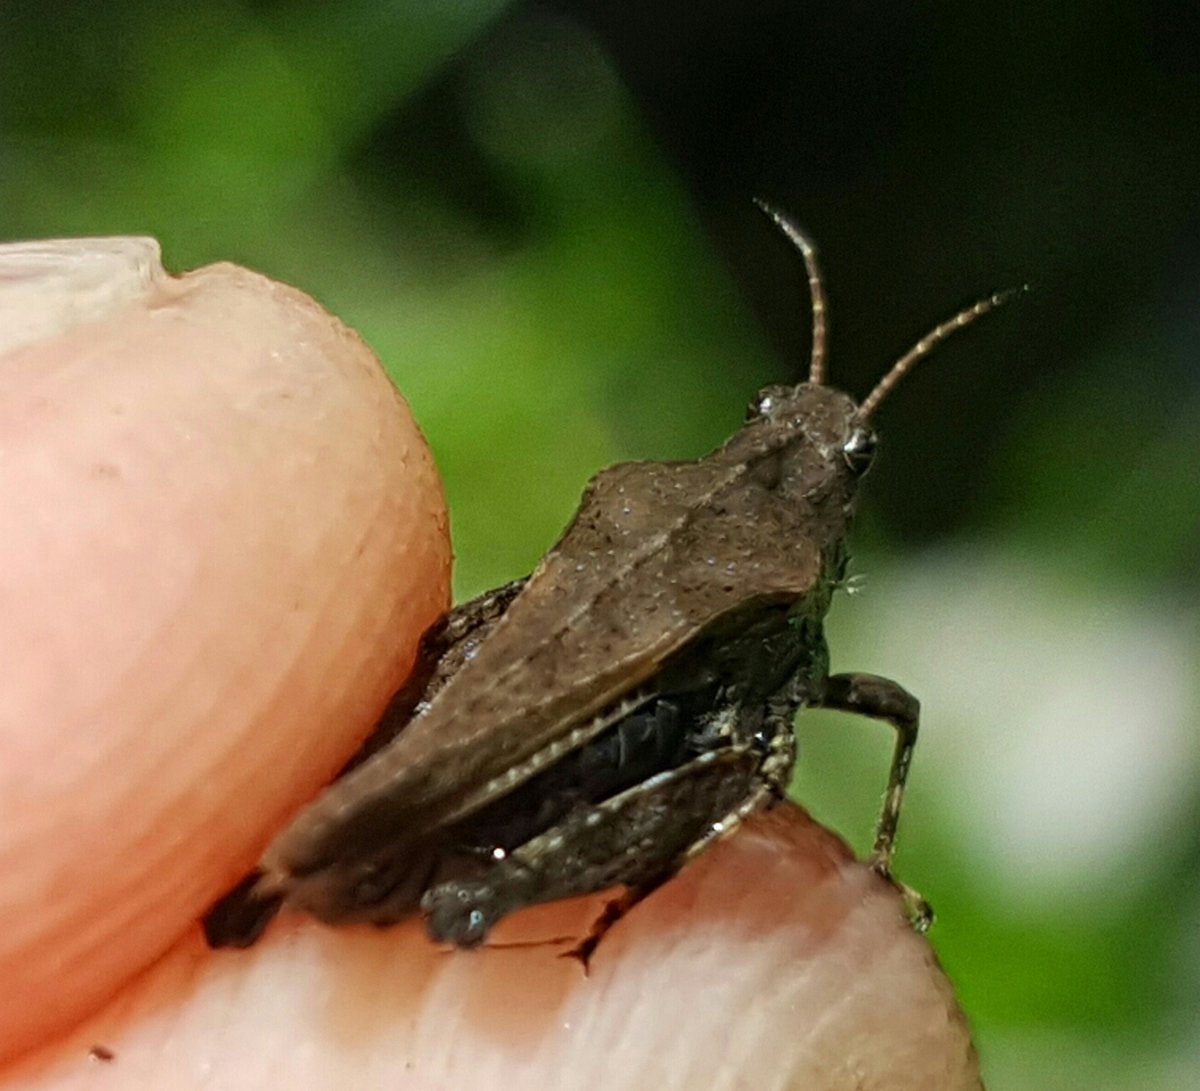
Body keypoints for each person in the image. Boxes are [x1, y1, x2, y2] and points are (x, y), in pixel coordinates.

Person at [0, 238, 980, 1089]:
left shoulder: (694, 522)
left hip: (529, 772)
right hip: (468, 789)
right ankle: (385, 861)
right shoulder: (743, 559)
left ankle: (400, 869)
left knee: (742, 766)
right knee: (759, 765)